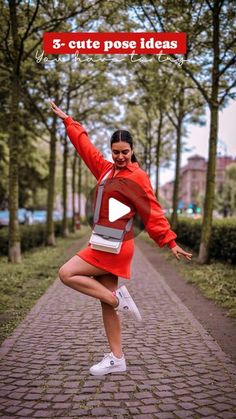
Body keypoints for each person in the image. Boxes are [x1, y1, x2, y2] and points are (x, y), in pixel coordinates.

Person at [50, 101, 192, 376]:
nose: (120, 157)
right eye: (116, 152)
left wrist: (170, 241)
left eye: (124, 152)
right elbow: (85, 148)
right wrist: (70, 121)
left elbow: (152, 211)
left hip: (115, 247)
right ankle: (117, 357)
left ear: (132, 150)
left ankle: (119, 300)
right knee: (105, 300)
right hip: (102, 241)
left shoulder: (137, 177)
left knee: (66, 273)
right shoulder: (105, 170)